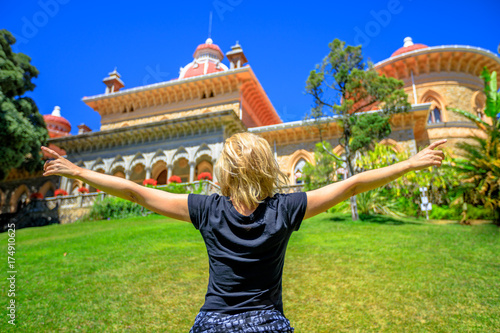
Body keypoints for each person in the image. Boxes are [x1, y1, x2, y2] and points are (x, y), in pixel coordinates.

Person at [41, 133, 446, 332]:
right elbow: (354, 184)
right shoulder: (286, 209)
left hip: (212, 323)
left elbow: (137, 192)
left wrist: (77, 171)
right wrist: (410, 164)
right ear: (267, 167)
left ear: (224, 171)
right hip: (268, 323)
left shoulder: (204, 209)